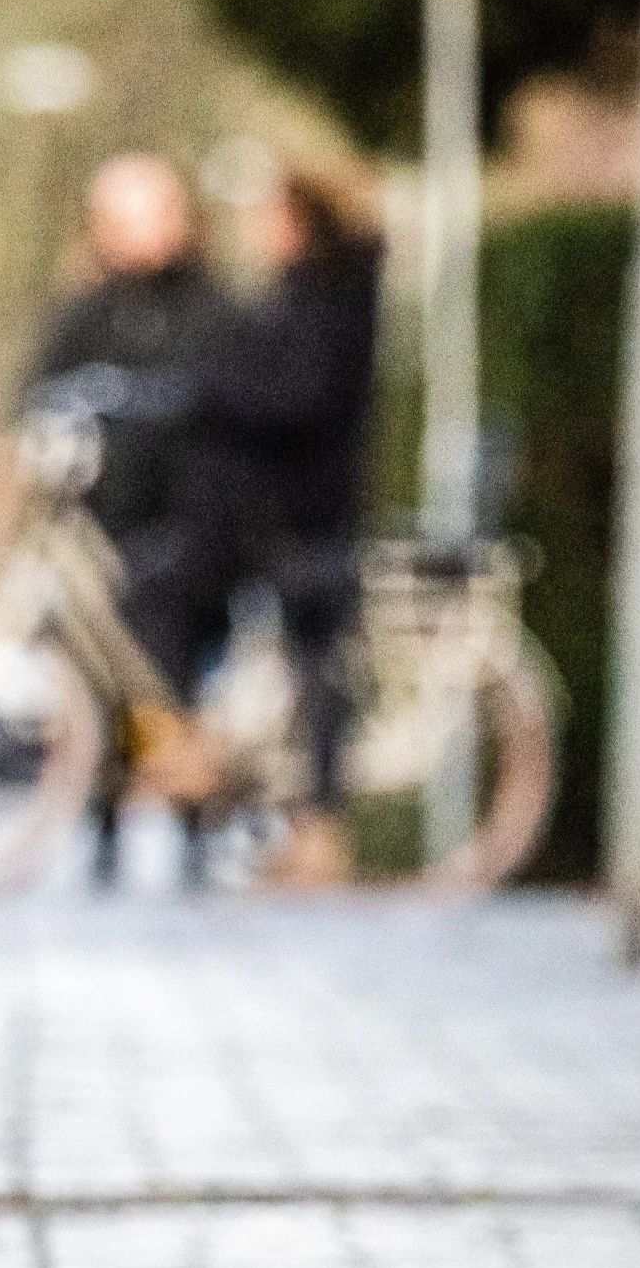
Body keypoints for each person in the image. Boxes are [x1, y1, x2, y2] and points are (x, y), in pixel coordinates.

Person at [26, 153, 234, 885]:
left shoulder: (212, 310)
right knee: (97, 682)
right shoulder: (88, 311)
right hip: (102, 527)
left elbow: (222, 402)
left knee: (182, 682)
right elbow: (37, 393)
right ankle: (102, 828)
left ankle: (196, 826)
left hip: (186, 528)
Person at [186, 166, 382, 885]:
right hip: (288, 507)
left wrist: (219, 394)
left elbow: (298, 395)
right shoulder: (315, 291)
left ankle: (320, 834)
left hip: (309, 508)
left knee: (320, 672)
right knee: (300, 669)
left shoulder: (328, 296)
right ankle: (297, 828)